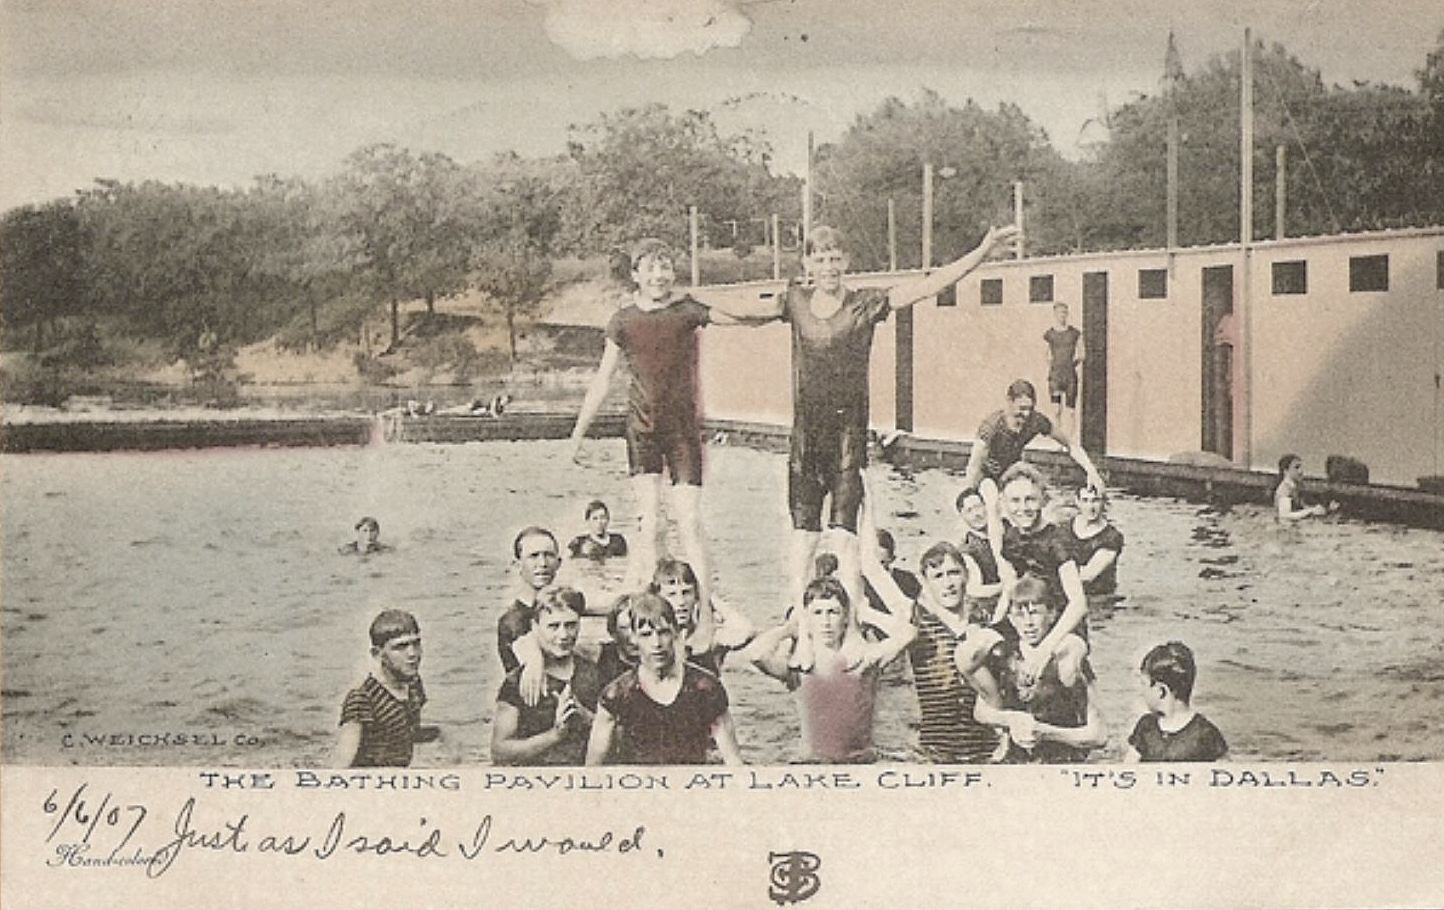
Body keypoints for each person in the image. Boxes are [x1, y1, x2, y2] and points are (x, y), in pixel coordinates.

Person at [761, 224, 1020, 614]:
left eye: (835, 258)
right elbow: (739, 312)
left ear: (846, 261)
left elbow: (929, 286)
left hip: (848, 439)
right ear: (807, 263)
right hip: (805, 443)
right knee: (803, 543)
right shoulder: (793, 301)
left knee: (846, 544)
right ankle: (801, 624)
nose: (829, 266)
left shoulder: (864, 303)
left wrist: (981, 251)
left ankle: (850, 631)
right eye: (820, 258)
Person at [570, 238, 766, 619]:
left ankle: (704, 607)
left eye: (665, 267)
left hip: (682, 433)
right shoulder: (623, 320)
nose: (659, 276)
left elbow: (740, 318)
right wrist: (578, 433)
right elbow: (603, 378)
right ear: (635, 275)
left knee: (689, 520)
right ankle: (649, 603)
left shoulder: (685, 311)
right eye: (651, 268)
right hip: (642, 430)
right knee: (650, 521)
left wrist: (779, 308)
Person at [747, 487, 917, 762]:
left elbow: (908, 633)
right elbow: (756, 654)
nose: (826, 621)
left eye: (833, 613)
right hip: (812, 764)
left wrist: (866, 614)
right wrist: (791, 628)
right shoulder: (801, 666)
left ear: (844, 617)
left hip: (859, 762)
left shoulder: (863, 660)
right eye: (819, 614)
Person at [958, 575, 1105, 764]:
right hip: (1017, 762)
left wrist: (1046, 733)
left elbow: (1099, 735)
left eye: (1035, 613)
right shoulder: (1005, 657)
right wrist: (1010, 719)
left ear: (1052, 614)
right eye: (1020, 615)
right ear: (1010, 619)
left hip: (1062, 760)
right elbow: (981, 712)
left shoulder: (1067, 659)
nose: (1028, 623)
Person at [585, 591, 744, 765]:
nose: (657, 644)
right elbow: (593, 768)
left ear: (676, 632)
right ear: (633, 639)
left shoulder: (706, 688)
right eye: (646, 634)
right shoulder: (616, 695)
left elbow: (733, 760)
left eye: (663, 632)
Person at [961, 379, 1104, 566]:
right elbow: (973, 465)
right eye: (1021, 409)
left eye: (1029, 408)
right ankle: (1001, 562)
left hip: (1011, 472)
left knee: (1045, 501)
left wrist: (1091, 471)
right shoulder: (992, 426)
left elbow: (1070, 444)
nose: (1025, 414)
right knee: (993, 501)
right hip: (986, 475)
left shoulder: (1036, 421)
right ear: (1009, 401)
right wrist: (968, 497)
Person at [905, 541, 998, 763]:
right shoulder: (919, 623)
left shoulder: (985, 619)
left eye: (953, 573)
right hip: (936, 750)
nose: (948, 583)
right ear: (926, 583)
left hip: (985, 749)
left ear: (966, 575)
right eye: (938, 576)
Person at [993, 463, 1091, 674]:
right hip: (1027, 622)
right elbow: (1010, 588)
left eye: (1030, 499)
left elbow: (1079, 604)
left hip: (1062, 625)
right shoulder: (1010, 538)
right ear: (1003, 503)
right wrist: (995, 623)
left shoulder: (1058, 540)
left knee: (1066, 662)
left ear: (1043, 500)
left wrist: (1046, 648)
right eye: (1015, 501)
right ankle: (995, 705)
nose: (1023, 508)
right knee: (974, 649)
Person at [491, 586, 603, 766]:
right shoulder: (518, 681)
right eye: (553, 626)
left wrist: (587, 719)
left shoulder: (594, 672)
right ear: (535, 627)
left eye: (571, 625)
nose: (564, 635)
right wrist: (555, 735)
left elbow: (622, 735)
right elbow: (500, 751)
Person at [334, 610, 426, 768]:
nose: (412, 654)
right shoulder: (362, 700)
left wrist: (443, 734)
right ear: (378, 654)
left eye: (416, 643)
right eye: (400, 647)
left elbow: (404, 732)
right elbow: (339, 767)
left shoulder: (413, 685)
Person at [1124, 641, 1229, 762]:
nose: (1141, 691)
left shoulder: (1205, 734)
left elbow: (1227, 772)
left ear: (1161, 691)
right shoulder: (1146, 727)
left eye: (1144, 684)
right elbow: (1127, 769)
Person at [652, 557, 755, 675]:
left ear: (696, 595)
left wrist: (707, 598)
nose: (681, 602)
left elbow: (745, 630)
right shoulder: (651, 637)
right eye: (672, 594)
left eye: (686, 593)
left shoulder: (708, 635)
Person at [496, 526, 562, 673]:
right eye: (534, 556)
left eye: (549, 555)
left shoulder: (561, 607)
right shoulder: (512, 621)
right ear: (517, 565)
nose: (543, 563)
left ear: (559, 563)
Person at [1061, 484, 1125, 609]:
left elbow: (1087, 576)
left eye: (1095, 501)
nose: (1090, 507)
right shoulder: (1064, 528)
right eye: (1085, 501)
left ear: (1103, 503)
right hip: (1067, 592)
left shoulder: (1111, 537)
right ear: (1077, 502)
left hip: (1099, 599)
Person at [955, 487, 1004, 623]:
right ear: (962, 516)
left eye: (978, 507)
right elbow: (975, 590)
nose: (977, 514)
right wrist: (1006, 585)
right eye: (969, 511)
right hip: (987, 609)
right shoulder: (967, 550)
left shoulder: (1004, 531)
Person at [1043, 302, 1084, 439]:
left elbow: (1082, 354)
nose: (1062, 316)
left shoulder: (1075, 333)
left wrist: (1071, 365)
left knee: (1070, 411)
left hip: (1070, 376)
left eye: (1065, 313)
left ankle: (1070, 442)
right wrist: (1054, 366)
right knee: (1055, 410)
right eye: (1060, 313)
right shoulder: (1050, 334)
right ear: (1055, 314)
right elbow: (1046, 354)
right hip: (1055, 376)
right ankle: (1059, 440)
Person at [1275, 454, 1337, 522]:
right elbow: (1285, 515)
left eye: (1301, 467)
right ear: (1285, 471)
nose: (1301, 471)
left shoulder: (1296, 487)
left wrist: (1324, 510)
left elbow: (1302, 508)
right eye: (1296, 467)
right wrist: (1311, 511)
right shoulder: (1284, 490)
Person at [596, 594, 638, 685]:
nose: (633, 638)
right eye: (624, 628)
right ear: (613, 632)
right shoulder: (602, 656)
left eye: (637, 627)